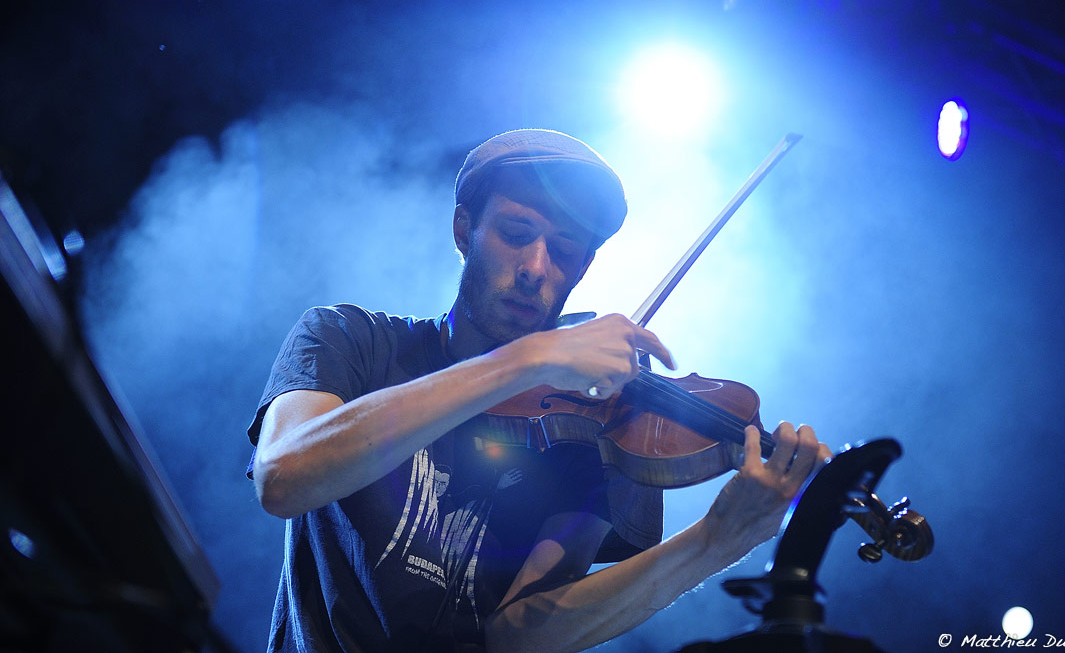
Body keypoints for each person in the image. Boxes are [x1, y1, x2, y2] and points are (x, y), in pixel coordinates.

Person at [247, 128, 833, 653]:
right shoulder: (350, 339)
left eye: (564, 250)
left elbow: (519, 637)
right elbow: (285, 475)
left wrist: (713, 541)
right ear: (463, 229)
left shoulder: (607, 426)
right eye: (515, 233)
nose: (535, 267)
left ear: (583, 268)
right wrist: (524, 360)